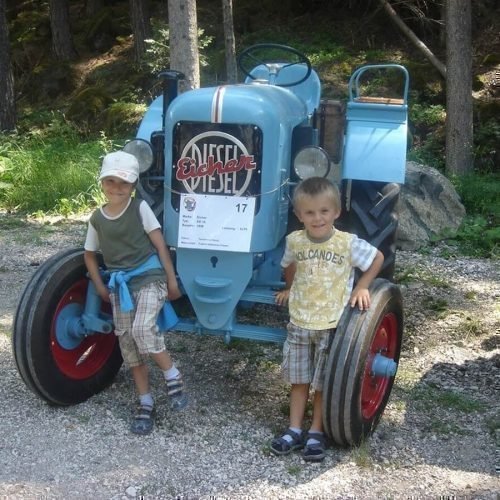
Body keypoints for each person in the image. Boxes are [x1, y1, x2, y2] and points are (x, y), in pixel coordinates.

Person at [271, 176, 384, 462]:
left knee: (322, 383)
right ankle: (294, 429)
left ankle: (316, 431)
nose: (317, 218)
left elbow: (378, 258)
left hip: (331, 325)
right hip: (299, 323)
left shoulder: (346, 243)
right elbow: (290, 266)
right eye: (309, 212)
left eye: (324, 211)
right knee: (299, 380)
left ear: (336, 212)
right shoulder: (295, 240)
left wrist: (362, 286)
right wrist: (289, 288)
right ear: (299, 215)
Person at [84, 150, 187, 436]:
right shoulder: (97, 219)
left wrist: (171, 281)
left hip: (149, 278)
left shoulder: (139, 209)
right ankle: (145, 401)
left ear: (133, 186)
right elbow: (90, 255)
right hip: (121, 286)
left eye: (124, 183)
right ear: (102, 182)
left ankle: (172, 374)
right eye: (111, 181)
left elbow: (160, 245)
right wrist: (99, 284)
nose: (117, 188)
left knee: (143, 329)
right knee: (128, 344)